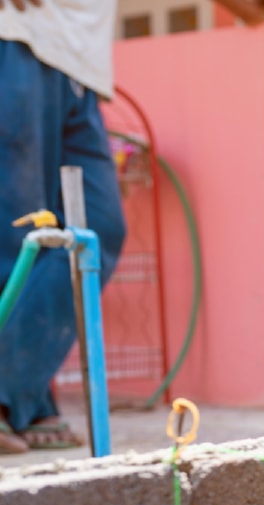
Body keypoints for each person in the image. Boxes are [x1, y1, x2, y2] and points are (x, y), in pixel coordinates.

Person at [0, 0, 125, 453]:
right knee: (15, 234)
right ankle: (22, 401)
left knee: (96, 230)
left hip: (77, 64)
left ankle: (19, 391)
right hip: (16, 42)